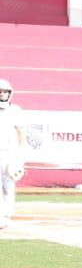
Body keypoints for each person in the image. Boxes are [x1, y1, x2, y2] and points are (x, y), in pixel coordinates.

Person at [0, 79, 26, 229]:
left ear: (10, 94)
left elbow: (21, 132)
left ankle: (6, 214)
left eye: (5, 92)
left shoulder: (15, 110)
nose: (2, 94)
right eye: (0, 92)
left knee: (8, 184)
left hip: (9, 154)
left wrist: (20, 155)